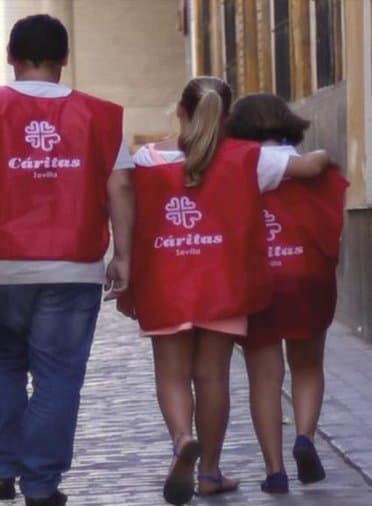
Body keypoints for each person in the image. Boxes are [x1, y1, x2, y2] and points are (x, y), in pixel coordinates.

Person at [0, 15, 134, 506]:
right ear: (64, 58)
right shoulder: (101, 116)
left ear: (10, 57)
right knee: (58, 374)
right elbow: (121, 186)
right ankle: (41, 483)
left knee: (0, 361)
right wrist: (123, 254)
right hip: (73, 264)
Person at [126, 77, 330, 505]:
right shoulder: (249, 158)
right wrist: (323, 154)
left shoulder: (146, 158)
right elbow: (310, 168)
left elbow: (129, 209)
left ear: (180, 112)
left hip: (165, 279)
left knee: (171, 375)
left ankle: (182, 439)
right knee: (212, 376)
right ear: (226, 118)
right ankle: (209, 472)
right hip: (223, 280)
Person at [225, 93, 347, 494]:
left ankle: (274, 470)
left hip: (257, 280)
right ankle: (305, 438)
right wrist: (325, 156)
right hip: (306, 275)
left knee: (264, 378)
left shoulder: (235, 165)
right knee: (307, 366)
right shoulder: (301, 162)